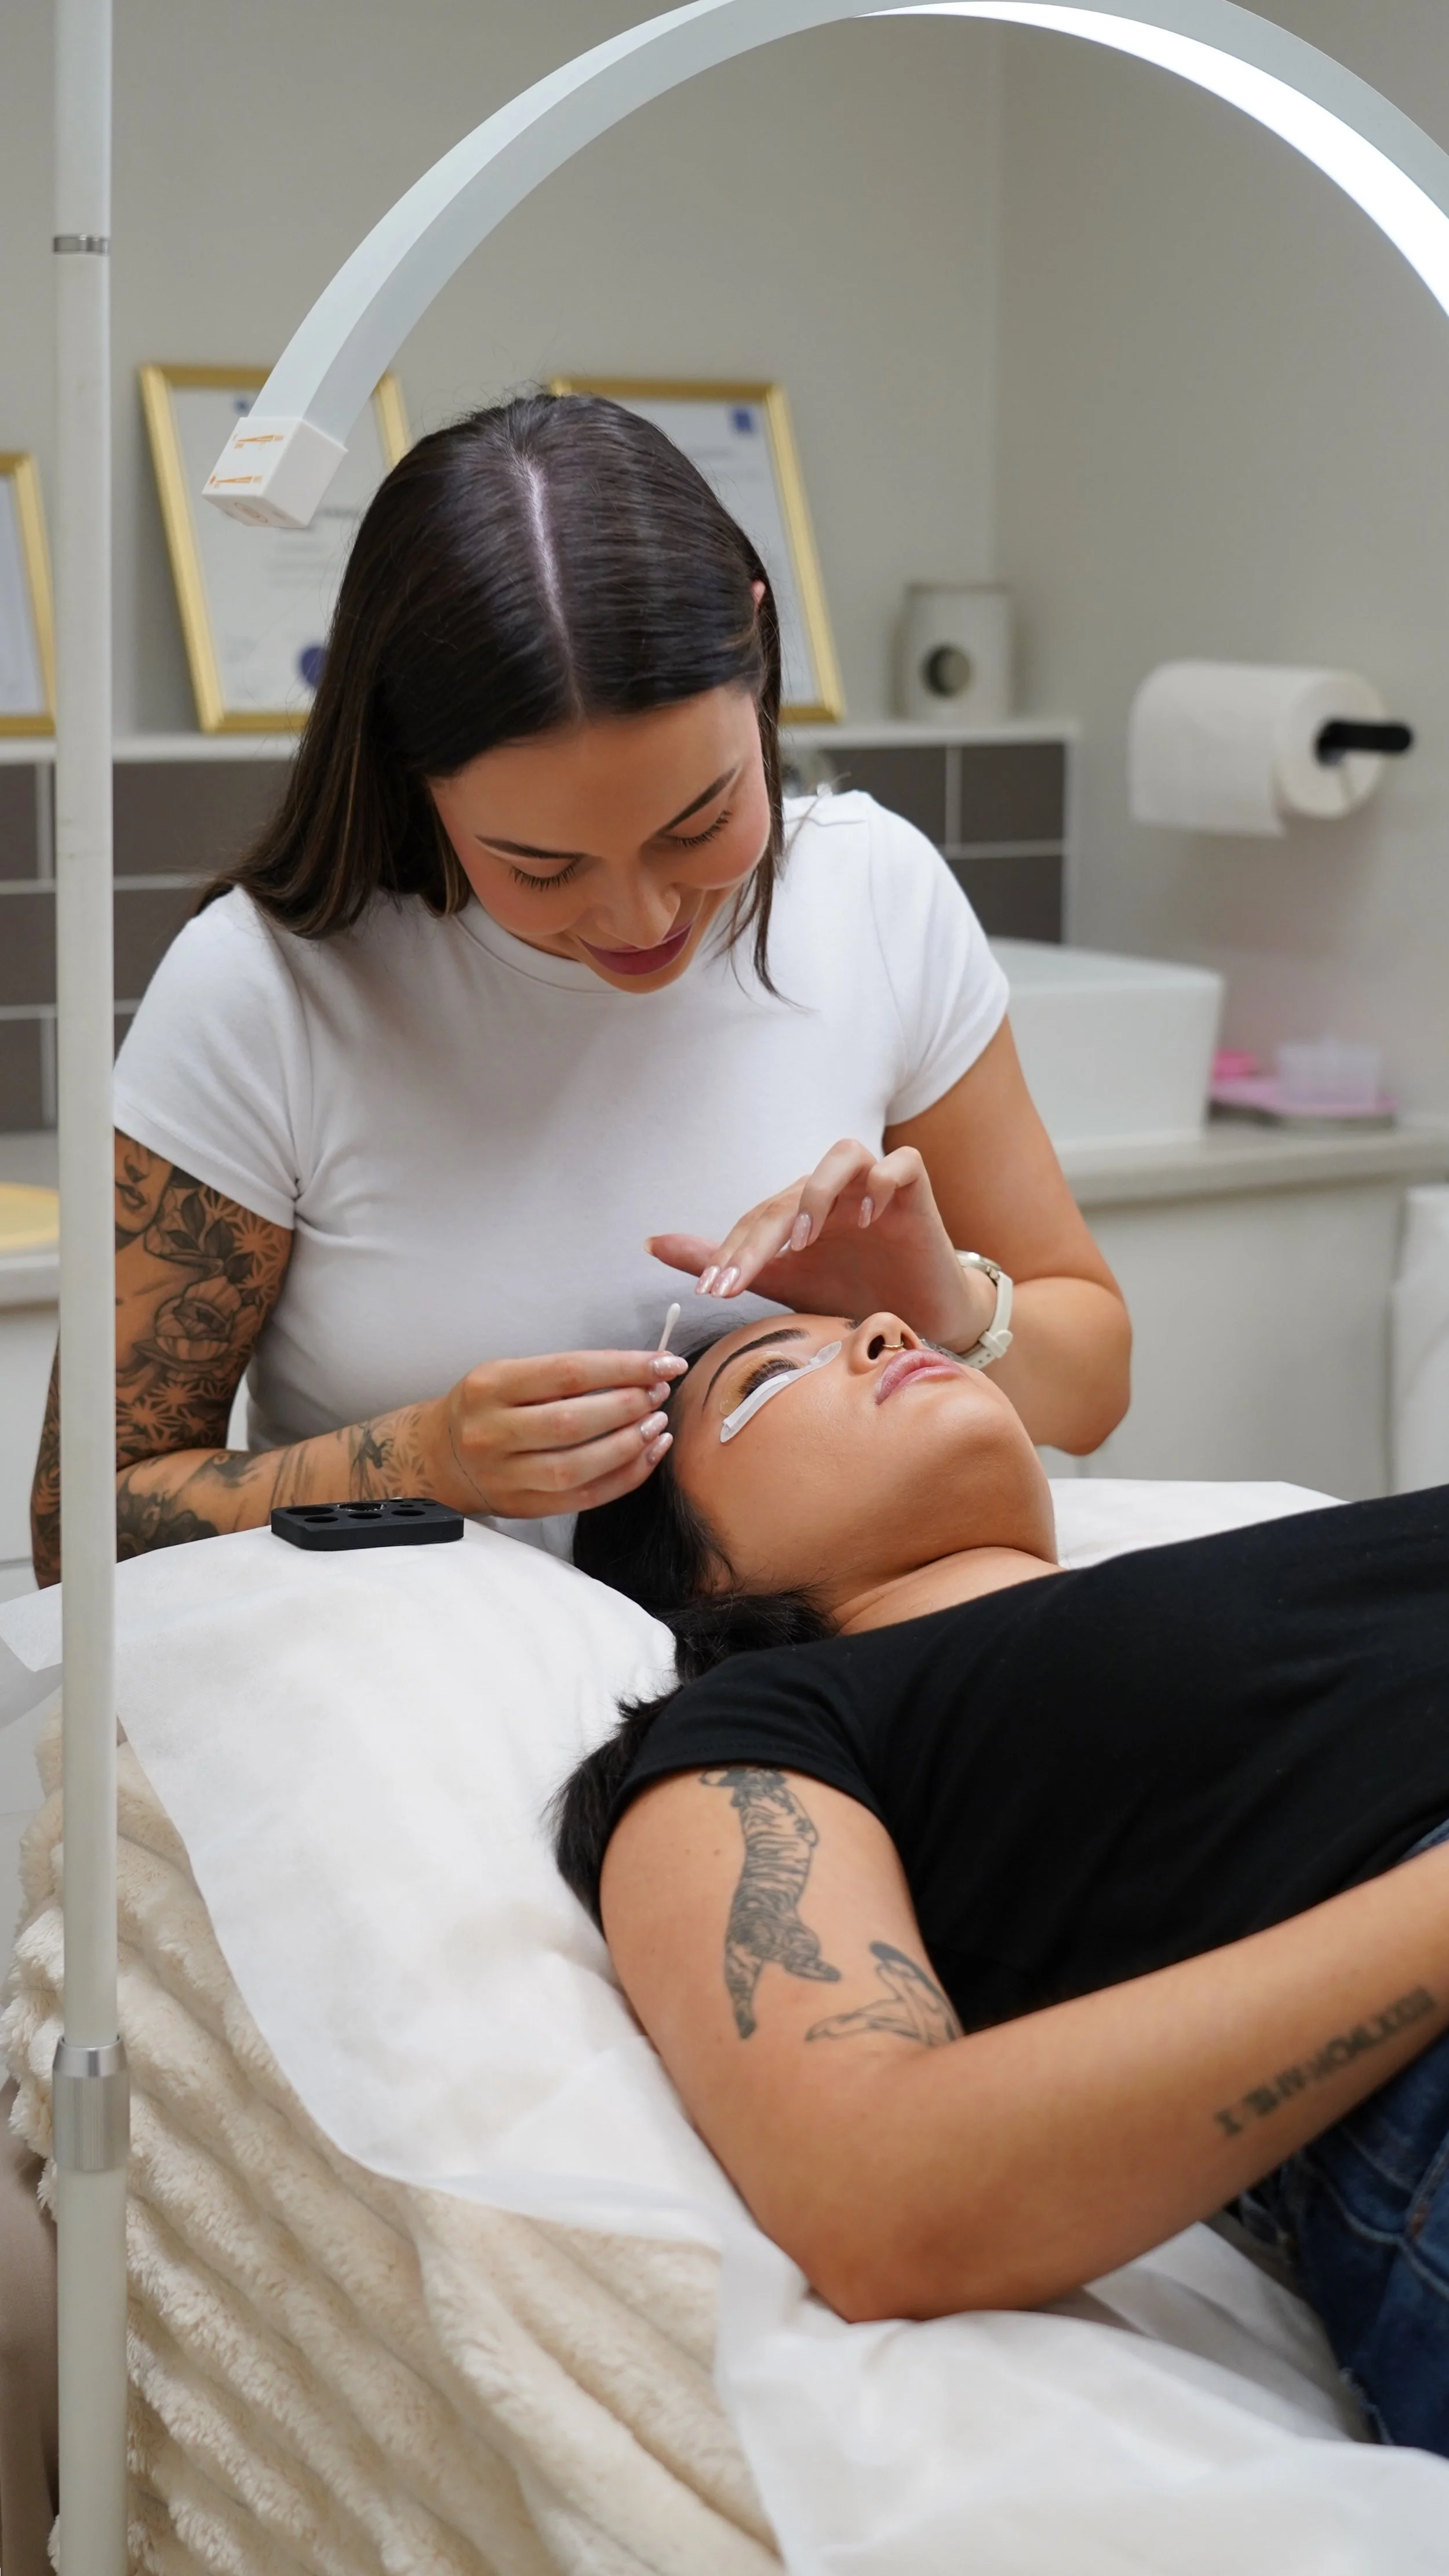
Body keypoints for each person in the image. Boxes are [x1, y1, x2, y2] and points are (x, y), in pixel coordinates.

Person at [29, 392, 1127, 1587]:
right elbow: (78, 1528)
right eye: (540, 867)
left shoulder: (872, 894)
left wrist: (949, 1308)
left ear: (757, 654)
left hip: (823, 1690)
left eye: (699, 821)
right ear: (415, 770)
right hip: (422, 1715)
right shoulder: (271, 991)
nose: (640, 918)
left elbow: (1093, 1386)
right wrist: (425, 1456)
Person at [556, 1307, 1449, 2454]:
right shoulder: (771, 1722)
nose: (882, 1328)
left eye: (873, 1319)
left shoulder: (1291, 1549)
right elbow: (872, 2191)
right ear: (702, 1569)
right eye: (767, 1377)